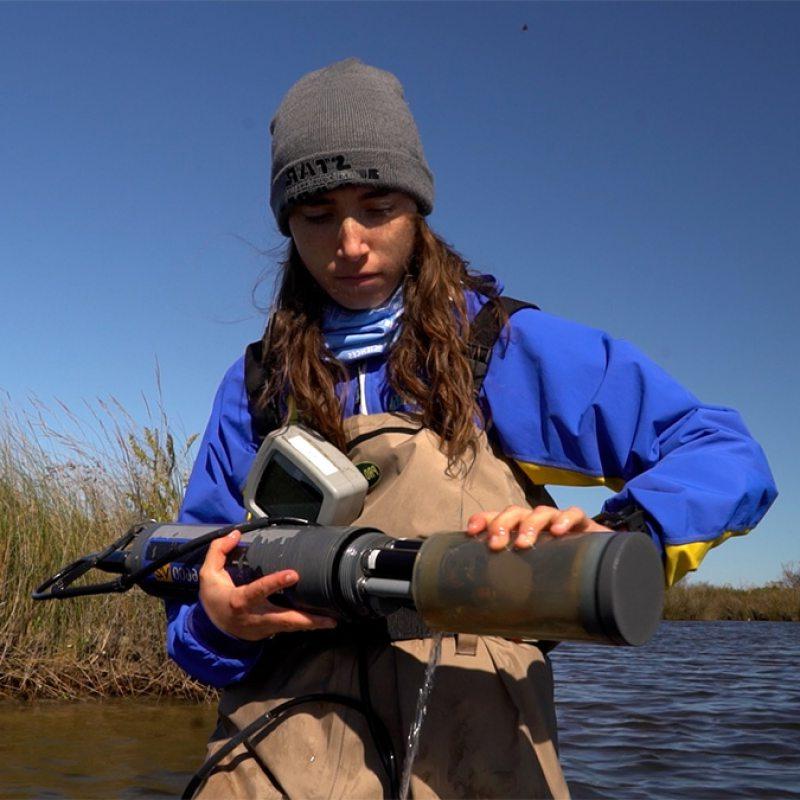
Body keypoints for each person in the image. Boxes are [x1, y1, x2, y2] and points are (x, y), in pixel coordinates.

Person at [167, 58, 777, 799]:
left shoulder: (504, 351)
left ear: (418, 203)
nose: (349, 242)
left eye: (377, 203)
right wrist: (220, 624)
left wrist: (629, 529)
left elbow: (726, 452)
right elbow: (190, 614)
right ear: (288, 223)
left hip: (470, 761)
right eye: (316, 214)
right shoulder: (256, 387)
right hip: (269, 764)